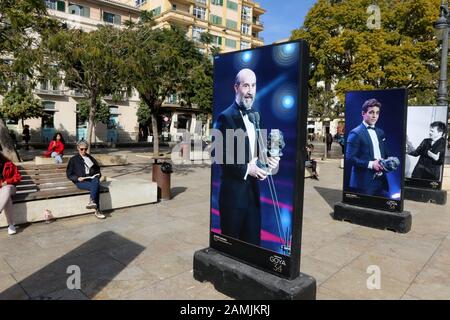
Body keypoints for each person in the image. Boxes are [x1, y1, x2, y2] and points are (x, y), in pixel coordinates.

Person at [215, 68, 280, 246]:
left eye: (253, 85)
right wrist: (247, 169)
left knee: (252, 247)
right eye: (246, 85)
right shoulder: (225, 117)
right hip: (233, 200)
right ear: (236, 87)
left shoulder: (257, 116)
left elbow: (260, 151)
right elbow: (220, 155)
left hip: (253, 197)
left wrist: (269, 160)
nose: (250, 91)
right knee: (231, 249)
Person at [346, 98, 392, 197]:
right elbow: (350, 158)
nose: (375, 116)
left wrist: (389, 162)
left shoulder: (380, 132)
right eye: (371, 112)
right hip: (363, 182)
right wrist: (371, 164)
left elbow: (385, 153)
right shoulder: (355, 133)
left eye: (377, 113)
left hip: (381, 180)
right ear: (363, 113)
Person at [66, 140, 105, 219]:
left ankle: (92, 202)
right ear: (78, 148)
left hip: (92, 178)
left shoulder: (91, 158)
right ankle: (97, 210)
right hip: (81, 181)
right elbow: (69, 174)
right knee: (96, 186)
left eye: (85, 149)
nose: (84, 151)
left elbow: (97, 170)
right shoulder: (73, 159)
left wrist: (97, 175)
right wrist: (77, 178)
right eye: (82, 149)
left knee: (95, 181)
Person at [0, 152, 22, 235]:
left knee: (7, 188)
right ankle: (11, 225)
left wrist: (7, 182)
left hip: (11, 188)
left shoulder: (9, 164)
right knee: (7, 199)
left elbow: (18, 177)